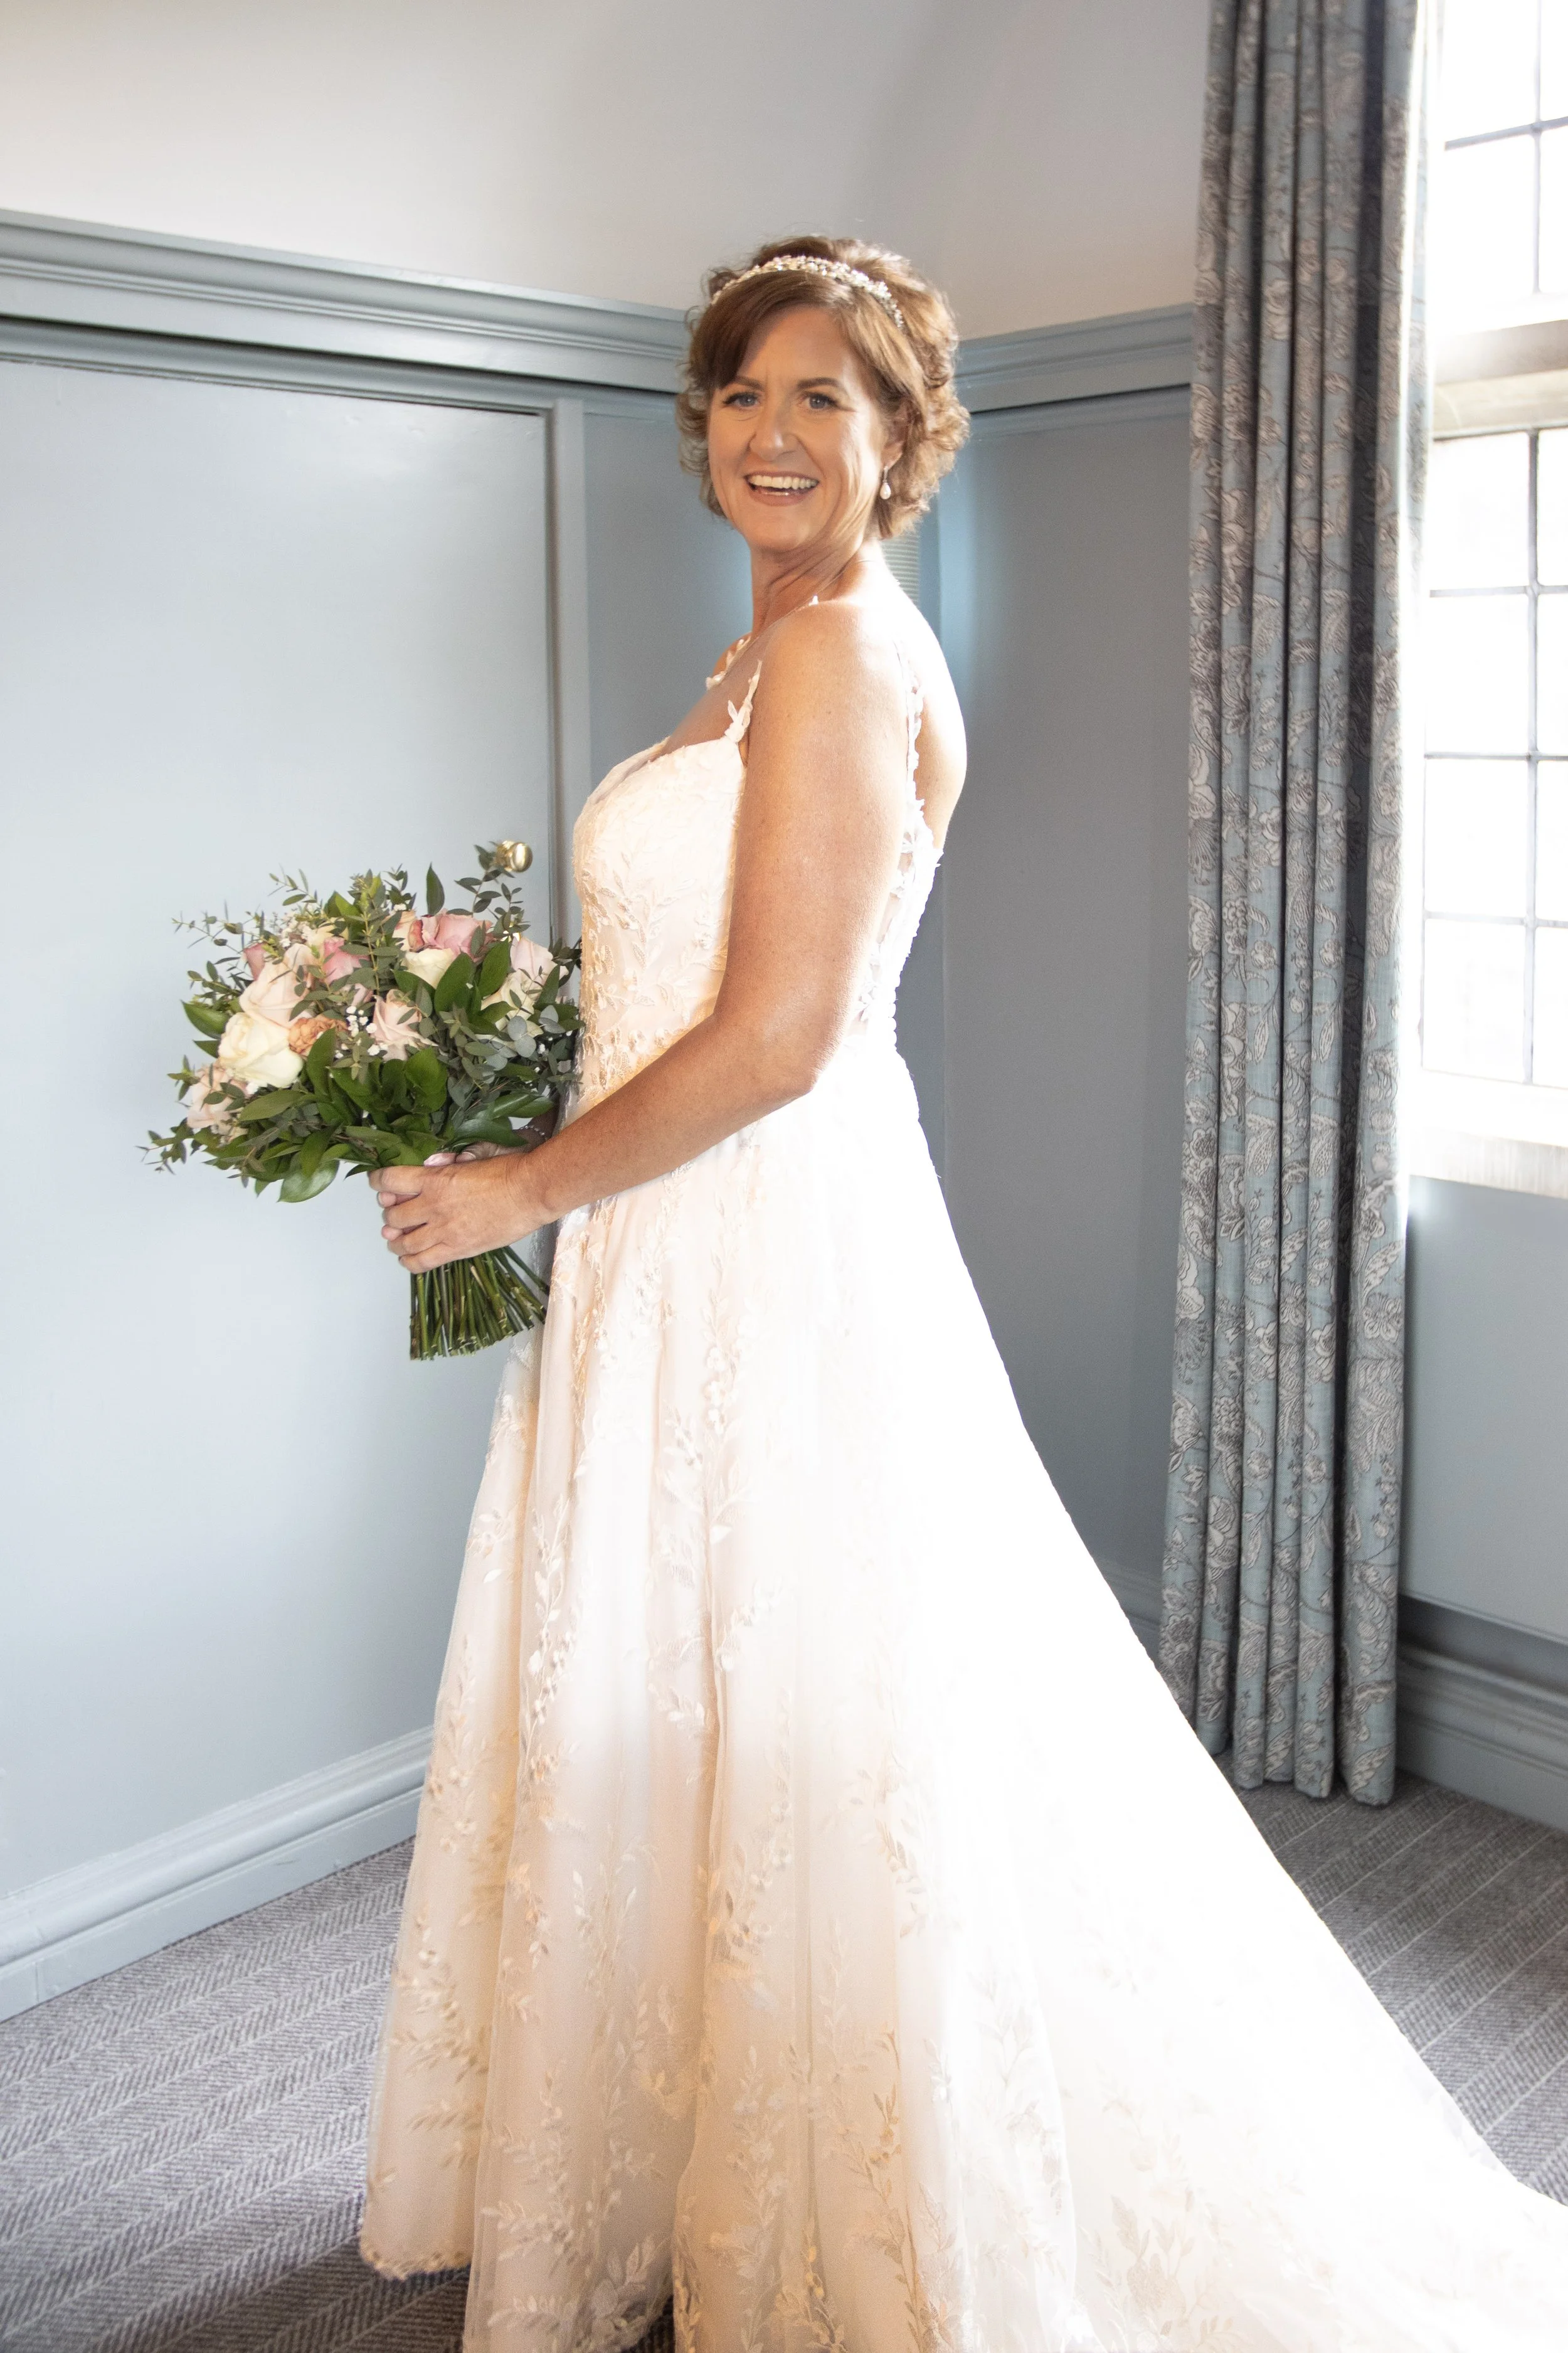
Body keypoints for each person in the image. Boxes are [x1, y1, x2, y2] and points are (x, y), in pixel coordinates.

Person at [359, 237, 1568, 2352]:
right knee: (705, 1686)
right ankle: (684, 2134)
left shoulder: (839, 655)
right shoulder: (759, 657)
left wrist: (518, 1190)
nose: (772, 433)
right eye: (743, 393)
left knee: (830, 1706)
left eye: (824, 397)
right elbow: (674, 986)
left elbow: (784, 1034)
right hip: (671, 1240)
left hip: (764, 1232)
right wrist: (487, 1086)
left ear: (903, 436)